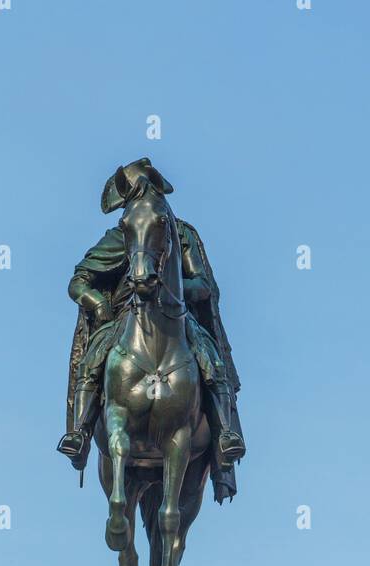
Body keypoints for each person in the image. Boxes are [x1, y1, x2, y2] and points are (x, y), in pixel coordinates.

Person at [57, 158, 245, 498]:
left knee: (210, 360)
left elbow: (204, 284)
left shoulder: (182, 233)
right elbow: (79, 281)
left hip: (176, 316)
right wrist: (98, 303)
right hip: (126, 317)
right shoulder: (121, 235)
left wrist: (174, 291)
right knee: (93, 359)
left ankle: (224, 438)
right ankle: (80, 432)